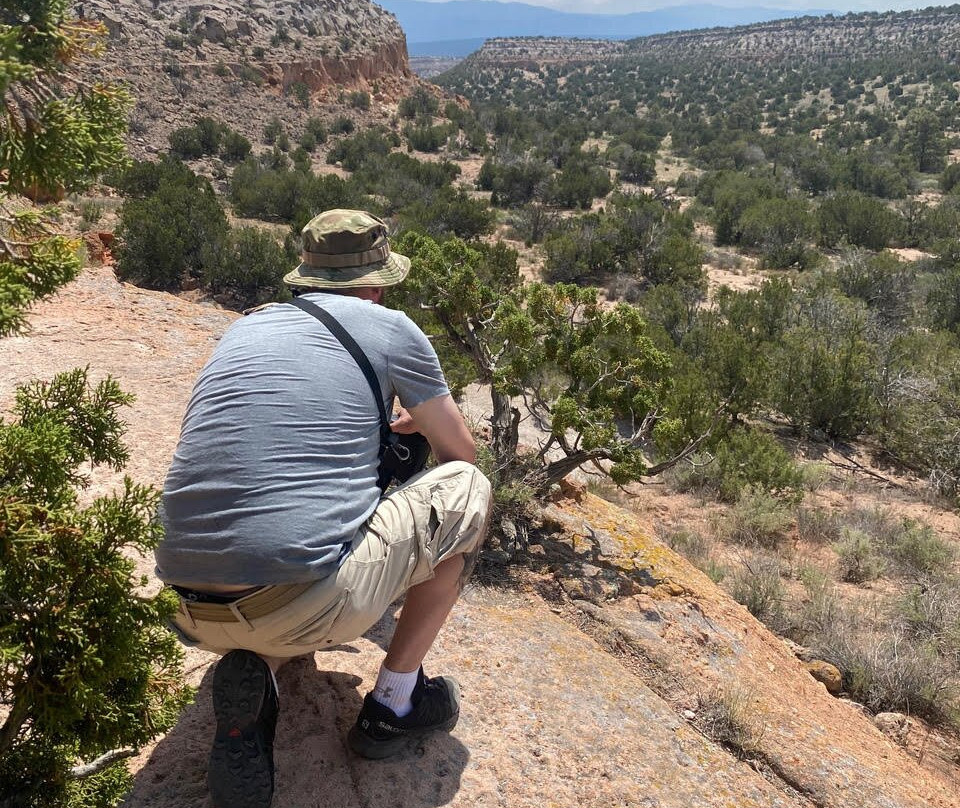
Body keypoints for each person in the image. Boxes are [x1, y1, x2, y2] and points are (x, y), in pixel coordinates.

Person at [154, 209, 491, 808]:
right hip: (304, 596)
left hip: (189, 605)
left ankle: (261, 680)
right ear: (377, 281)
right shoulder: (390, 327)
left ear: (305, 274)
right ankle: (395, 704)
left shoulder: (245, 327)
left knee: (281, 561)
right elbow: (458, 452)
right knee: (467, 488)